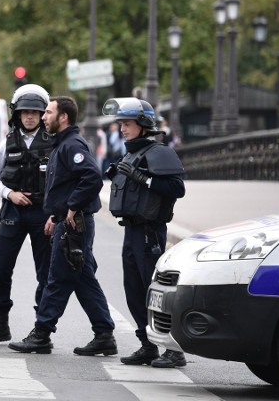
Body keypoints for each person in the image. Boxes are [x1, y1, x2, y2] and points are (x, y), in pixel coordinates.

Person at [9, 96, 117, 356]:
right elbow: (65, 185)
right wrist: (56, 215)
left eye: (48, 112)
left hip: (74, 225)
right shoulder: (61, 144)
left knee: (56, 278)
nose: (43, 117)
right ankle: (104, 334)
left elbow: (92, 177)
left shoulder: (72, 145)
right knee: (83, 280)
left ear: (63, 117)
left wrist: (71, 206)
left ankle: (41, 334)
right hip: (67, 222)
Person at [102, 98, 186, 369]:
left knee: (155, 292)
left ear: (143, 125)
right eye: (121, 124)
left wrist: (143, 178)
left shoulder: (159, 152)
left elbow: (176, 188)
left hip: (150, 232)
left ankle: (174, 350)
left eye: (127, 124)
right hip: (132, 229)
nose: (122, 129)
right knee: (133, 289)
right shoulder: (132, 152)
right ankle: (148, 345)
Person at [0, 84, 53, 345]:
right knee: (1, 267)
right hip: (13, 211)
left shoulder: (53, 143)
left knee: (44, 272)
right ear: (17, 115)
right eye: (25, 112)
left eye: (35, 112)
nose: (30, 116)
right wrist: (10, 194)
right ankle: (1, 324)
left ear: (43, 114)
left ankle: (41, 329)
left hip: (43, 213)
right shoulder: (7, 142)